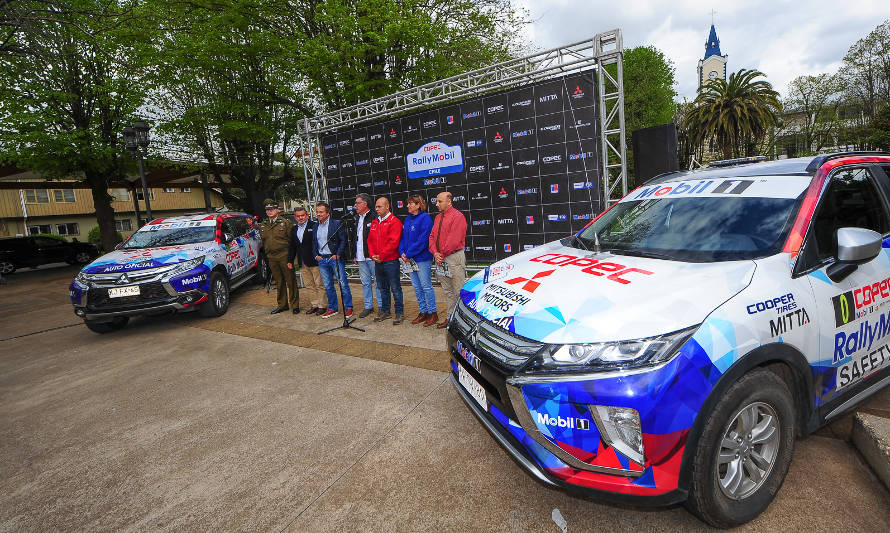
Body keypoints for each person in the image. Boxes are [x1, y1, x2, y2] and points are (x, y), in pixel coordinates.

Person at [429, 191, 467, 328]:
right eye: (436, 201)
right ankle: (451, 318)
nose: (436, 204)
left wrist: (440, 255)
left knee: (458, 291)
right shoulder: (438, 217)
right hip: (441, 258)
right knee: (448, 291)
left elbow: (453, 240)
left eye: (439, 201)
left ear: (449, 201)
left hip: (453, 258)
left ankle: (463, 321)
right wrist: (435, 253)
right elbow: (432, 237)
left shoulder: (458, 217)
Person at [399, 194, 437, 326]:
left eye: (411, 203)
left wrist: (408, 253)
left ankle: (433, 313)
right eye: (408, 203)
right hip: (409, 259)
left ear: (418, 205)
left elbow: (423, 240)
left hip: (422, 259)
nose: (408, 206)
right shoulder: (408, 219)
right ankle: (423, 312)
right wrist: (402, 252)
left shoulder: (425, 218)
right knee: (416, 287)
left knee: (426, 286)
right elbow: (403, 239)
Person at [367, 196, 404, 324]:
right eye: (376, 207)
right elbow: (370, 241)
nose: (376, 209)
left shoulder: (395, 221)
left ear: (387, 206)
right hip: (378, 261)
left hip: (390, 261)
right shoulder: (374, 222)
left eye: (379, 206)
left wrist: (381, 256)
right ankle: (386, 311)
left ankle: (399, 313)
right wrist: (372, 255)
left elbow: (393, 242)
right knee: (382, 288)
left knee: (395, 288)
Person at [313, 202, 353, 318]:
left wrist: (338, 254)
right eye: (317, 212)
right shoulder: (316, 226)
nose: (318, 214)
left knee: (343, 284)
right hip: (322, 260)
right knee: (328, 285)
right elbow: (314, 243)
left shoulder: (336, 224)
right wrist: (316, 255)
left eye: (321, 212)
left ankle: (348, 307)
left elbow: (343, 240)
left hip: (334, 258)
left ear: (327, 213)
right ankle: (333, 308)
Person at [258, 199, 298, 314]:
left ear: (277, 210)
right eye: (267, 210)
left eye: (271, 209)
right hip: (271, 257)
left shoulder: (285, 223)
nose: (269, 212)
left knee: (291, 281)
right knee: (279, 282)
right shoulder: (263, 225)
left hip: (284, 255)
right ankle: (282, 305)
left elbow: (291, 242)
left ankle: (295, 305)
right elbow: (264, 241)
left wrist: (291, 258)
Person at [287, 206, 327, 315]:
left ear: (307, 215)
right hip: (302, 261)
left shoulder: (314, 226)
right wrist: (290, 260)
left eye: (302, 215)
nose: (300, 218)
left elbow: (320, 242)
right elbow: (292, 247)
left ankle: (322, 306)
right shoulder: (294, 229)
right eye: (298, 216)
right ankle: (314, 305)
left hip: (315, 260)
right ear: (295, 217)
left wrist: (319, 256)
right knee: (309, 285)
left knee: (319, 284)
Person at [351, 193, 380, 318]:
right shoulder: (356, 218)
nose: (355, 206)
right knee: (365, 283)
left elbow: (378, 238)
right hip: (360, 256)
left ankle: (381, 306)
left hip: (372, 256)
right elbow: (355, 238)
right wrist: (355, 254)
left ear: (365, 204)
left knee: (378, 282)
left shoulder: (374, 217)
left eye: (357, 203)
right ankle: (368, 306)